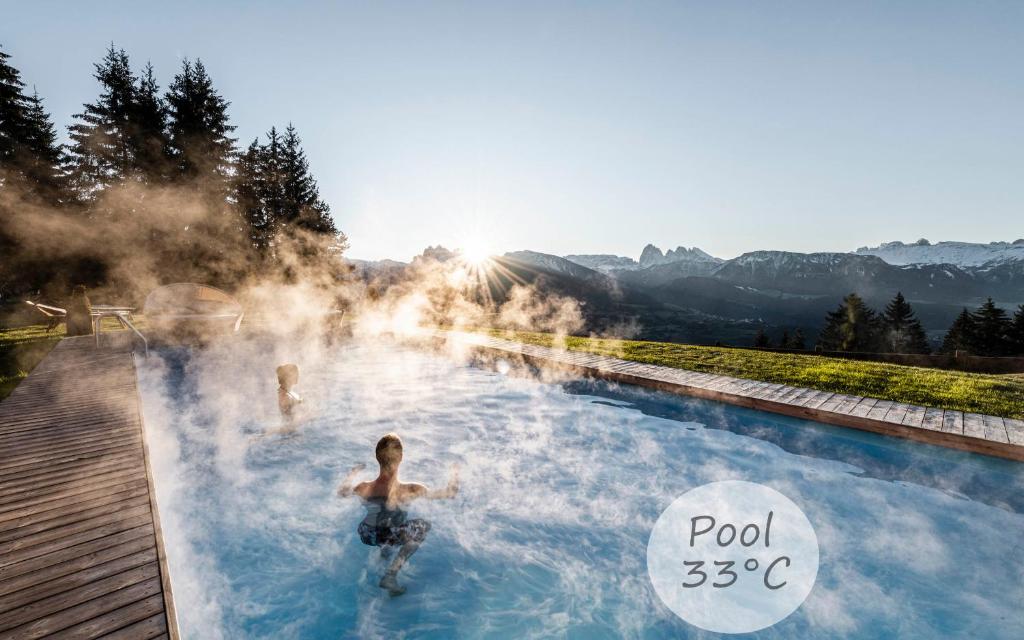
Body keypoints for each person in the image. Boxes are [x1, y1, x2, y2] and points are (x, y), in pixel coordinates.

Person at [338, 433, 459, 596]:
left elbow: (342, 492)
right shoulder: (410, 489)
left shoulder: (364, 487)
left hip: (367, 534)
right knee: (422, 526)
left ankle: (384, 553)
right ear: (401, 457)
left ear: (377, 457)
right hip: (390, 534)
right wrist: (455, 473)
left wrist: (352, 473)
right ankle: (390, 575)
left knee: (384, 522)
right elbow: (449, 493)